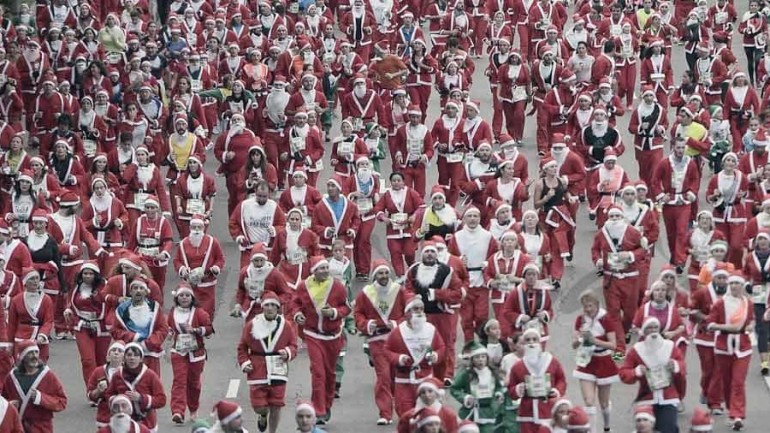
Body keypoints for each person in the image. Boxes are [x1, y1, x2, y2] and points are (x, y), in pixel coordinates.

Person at [291, 256, 351, 424]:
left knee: (330, 374)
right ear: (313, 271)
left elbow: (346, 308)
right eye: (321, 268)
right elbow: (295, 303)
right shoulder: (304, 286)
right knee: (318, 373)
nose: (325, 271)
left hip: (333, 336)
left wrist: (333, 312)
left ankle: (327, 403)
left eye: (326, 268)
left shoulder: (337, 287)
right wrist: (297, 314)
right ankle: (318, 411)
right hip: (313, 335)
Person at [353, 260, 407, 425]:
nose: (383, 276)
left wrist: (398, 323)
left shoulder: (399, 291)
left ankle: (402, 412)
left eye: (385, 273)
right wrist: (367, 324)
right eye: (380, 273)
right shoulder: (366, 293)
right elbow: (358, 314)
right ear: (374, 275)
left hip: (396, 340)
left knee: (395, 377)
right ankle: (385, 413)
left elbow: (409, 312)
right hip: (376, 340)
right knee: (383, 376)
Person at [237, 291, 296, 433]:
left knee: (276, 405)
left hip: (278, 369)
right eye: (267, 305)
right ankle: (263, 414)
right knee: (259, 406)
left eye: (273, 305)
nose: (270, 308)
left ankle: (272, 431)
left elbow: (294, 346)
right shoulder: (252, 325)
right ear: (262, 307)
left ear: (277, 308)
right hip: (257, 370)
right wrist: (245, 362)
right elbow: (242, 347)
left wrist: (287, 352)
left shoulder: (286, 326)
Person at [405, 241, 463, 384]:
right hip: (420, 316)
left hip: (441, 314)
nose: (430, 254)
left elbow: (457, 293)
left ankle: (444, 376)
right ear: (422, 254)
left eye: (432, 252)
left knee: (444, 345)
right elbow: (406, 290)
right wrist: (412, 298)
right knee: (418, 343)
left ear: (437, 255)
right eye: (427, 252)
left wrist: (437, 294)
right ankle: (421, 372)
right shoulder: (413, 270)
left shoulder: (446, 271)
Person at [619, 317, 684, 433]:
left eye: (656, 327)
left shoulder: (670, 346)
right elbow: (624, 373)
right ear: (644, 331)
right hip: (646, 398)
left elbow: (682, 366)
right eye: (649, 328)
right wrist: (636, 372)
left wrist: (675, 365)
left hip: (668, 397)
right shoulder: (636, 350)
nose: (653, 330)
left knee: (668, 429)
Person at [385, 294, 445, 417]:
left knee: (428, 416)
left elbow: (441, 348)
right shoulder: (398, 332)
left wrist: (435, 355)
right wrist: (399, 358)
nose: (419, 312)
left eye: (421, 309)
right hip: (404, 380)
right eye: (415, 309)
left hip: (425, 380)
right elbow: (386, 351)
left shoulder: (430, 329)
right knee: (406, 414)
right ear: (407, 313)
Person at [708, 272, 753, 430]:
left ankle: (737, 415)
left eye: (738, 284)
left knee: (738, 382)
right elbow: (710, 324)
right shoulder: (720, 303)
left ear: (742, 286)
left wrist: (750, 326)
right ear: (728, 285)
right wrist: (726, 327)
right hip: (723, 346)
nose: (734, 286)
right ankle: (731, 410)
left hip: (743, 347)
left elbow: (750, 321)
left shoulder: (748, 303)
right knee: (727, 382)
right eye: (732, 283)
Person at [448, 207, 498, 341]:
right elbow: (449, 258)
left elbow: (495, 255)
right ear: (464, 219)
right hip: (464, 282)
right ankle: (469, 345)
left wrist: (488, 264)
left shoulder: (487, 236)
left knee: (482, 316)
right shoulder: (457, 237)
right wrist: (458, 261)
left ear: (480, 218)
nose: (472, 219)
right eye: (469, 216)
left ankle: (483, 342)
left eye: (475, 216)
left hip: (481, 281)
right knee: (466, 318)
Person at [572, 290, 618, 433]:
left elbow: (613, 345)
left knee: (603, 402)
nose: (587, 309)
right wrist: (579, 340)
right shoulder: (580, 320)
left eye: (590, 306)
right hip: (586, 362)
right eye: (585, 306)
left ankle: (606, 426)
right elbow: (573, 344)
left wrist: (595, 341)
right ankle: (592, 431)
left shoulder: (606, 319)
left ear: (597, 305)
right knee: (589, 401)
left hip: (604, 361)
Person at [167, 284, 214, 425]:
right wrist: (169, 333)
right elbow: (168, 326)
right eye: (181, 295)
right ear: (177, 298)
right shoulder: (172, 312)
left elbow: (209, 329)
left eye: (187, 295)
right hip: (179, 351)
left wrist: (196, 330)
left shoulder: (199, 312)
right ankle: (178, 411)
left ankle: (193, 409)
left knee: (193, 383)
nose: (184, 298)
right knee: (179, 381)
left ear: (192, 297)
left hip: (196, 352)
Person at [507, 328, 568, 433]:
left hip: (549, 409)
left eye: (534, 339)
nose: (531, 343)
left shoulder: (552, 361)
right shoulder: (518, 367)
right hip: (527, 413)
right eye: (528, 340)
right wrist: (517, 390)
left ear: (540, 342)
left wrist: (557, 391)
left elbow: (561, 379)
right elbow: (511, 389)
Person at [1, 340, 66, 433]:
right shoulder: (12, 377)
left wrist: (41, 398)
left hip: (42, 427)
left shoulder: (47, 375)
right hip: (18, 426)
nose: (35, 356)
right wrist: (9, 404)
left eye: (36, 352)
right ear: (23, 357)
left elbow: (62, 402)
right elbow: (3, 401)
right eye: (30, 353)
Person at [63, 261, 110, 389]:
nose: (87, 276)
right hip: (81, 325)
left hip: (102, 327)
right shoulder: (77, 286)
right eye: (85, 273)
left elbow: (110, 303)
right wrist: (68, 309)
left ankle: (104, 388)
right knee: (87, 360)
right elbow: (71, 300)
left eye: (90, 274)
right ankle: (92, 389)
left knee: (102, 360)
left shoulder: (105, 287)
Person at [110, 276, 170, 375]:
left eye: (141, 288)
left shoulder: (154, 307)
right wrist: (132, 337)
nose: (138, 291)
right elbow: (115, 331)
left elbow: (163, 328)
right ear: (130, 291)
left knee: (152, 384)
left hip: (150, 353)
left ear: (146, 292)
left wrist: (150, 343)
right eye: (135, 288)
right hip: (130, 354)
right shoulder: (122, 310)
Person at [104, 343, 166, 432]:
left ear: (141, 359)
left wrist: (141, 398)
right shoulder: (117, 375)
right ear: (124, 358)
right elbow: (108, 394)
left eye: (136, 355)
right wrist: (118, 400)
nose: (132, 358)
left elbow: (162, 399)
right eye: (129, 355)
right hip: (123, 422)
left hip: (146, 421)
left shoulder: (150, 375)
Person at [173, 214, 225, 318]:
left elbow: (220, 258)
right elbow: (177, 260)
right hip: (190, 286)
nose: (196, 230)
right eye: (194, 227)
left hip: (207, 285)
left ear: (203, 228)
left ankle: (205, 330)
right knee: (189, 314)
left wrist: (216, 267)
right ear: (190, 228)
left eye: (199, 227)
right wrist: (182, 269)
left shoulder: (212, 242)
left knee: (207, 312)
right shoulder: (183, 244)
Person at [230, 180, 287, 268]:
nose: (262, 199)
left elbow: (283, 225)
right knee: (246, 275)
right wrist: (239, 236)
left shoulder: (274, 207)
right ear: (255, 192)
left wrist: (275, 230)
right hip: (249, 248)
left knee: (266, 277)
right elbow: (233, 222)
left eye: (265, 196)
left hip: (267, 249)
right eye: (259, 196)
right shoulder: (245, 205)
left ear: (269, 194)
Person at [449, 342, 504, 433]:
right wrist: (465, 397)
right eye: (477, 357)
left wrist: (498, 393)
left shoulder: (493, 373)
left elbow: (499, 387)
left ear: (487, 358)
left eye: (483, 357)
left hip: (488, 412)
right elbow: (454, 388)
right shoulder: (466, 374)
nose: (480, 360)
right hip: (470, 411)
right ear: (472, 359)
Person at [127, 194, 174, 294]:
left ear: (157, 209)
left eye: (152, 208)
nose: (150, 210)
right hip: (142, 257)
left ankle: (158, 306)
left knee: (158, 286)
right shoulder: (139, 221)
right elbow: (132, 242)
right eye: (147, 207)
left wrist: (164, 253)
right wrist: (128, 257)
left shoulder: (163, 222)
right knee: (141, 283)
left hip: (157, 259)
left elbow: (168, 241)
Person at [8, 268, 54, 362]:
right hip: (21, 338)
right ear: (25, 282)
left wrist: (43, 334)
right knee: (21, 367)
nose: (35, 281)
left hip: (39, 339)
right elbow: (12, 324)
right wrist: (10, 343)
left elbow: (48, 320)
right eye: (32, 279)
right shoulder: (16, 300)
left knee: (40, 366)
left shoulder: (46, 299)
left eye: (37, 278)